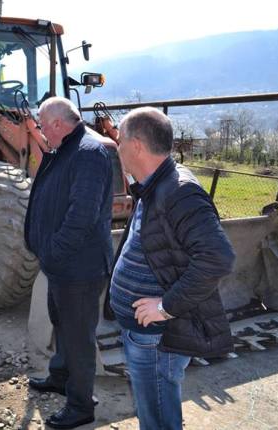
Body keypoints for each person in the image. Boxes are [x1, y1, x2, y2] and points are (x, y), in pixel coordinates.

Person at [110, 107, 235, 430]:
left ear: (136, 145)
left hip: (158, 336)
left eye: (120, 140)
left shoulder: (179, 192)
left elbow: (218, 258)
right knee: (153, 411)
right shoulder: (153, 185)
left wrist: (165, 307)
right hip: (143, 332)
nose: (117, 147)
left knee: (160, 416)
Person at [23, 97, 113, 429]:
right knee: (62, 324)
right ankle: (60, 377)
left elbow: (82, 216)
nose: (41, 131)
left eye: (43, 125)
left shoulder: (89, 153)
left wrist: (53, 251)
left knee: (78, 337)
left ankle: (81, 405)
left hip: (79, 268)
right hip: (61, 265)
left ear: (59, 124)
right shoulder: (67, 149)